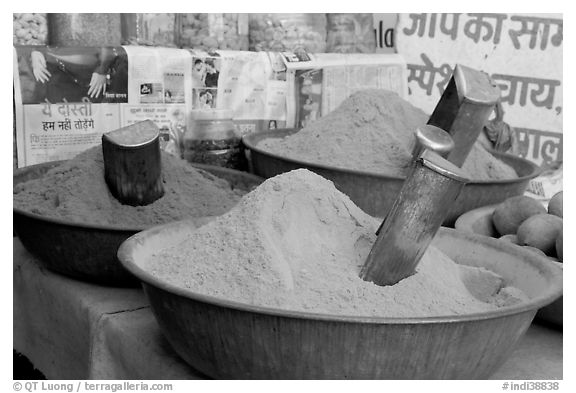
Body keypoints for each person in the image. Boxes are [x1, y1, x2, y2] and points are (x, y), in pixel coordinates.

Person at [28, 46, 124, 103]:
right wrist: (35, 50)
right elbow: (37, 30)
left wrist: (102, 68)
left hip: (93, 76)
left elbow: (108, 37)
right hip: (51, 69)